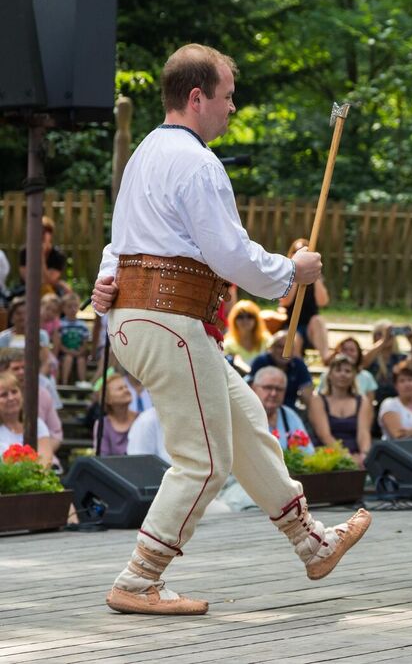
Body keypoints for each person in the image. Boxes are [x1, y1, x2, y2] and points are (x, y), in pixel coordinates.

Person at [91, 43, 369, 616]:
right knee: (205, 460)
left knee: (247, 425)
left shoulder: (144, 153)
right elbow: (229, 255)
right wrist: (294, 272)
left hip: (143, 323)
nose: (232, 108)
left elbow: (119, 244)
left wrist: (105, 289)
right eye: (227, 97)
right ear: (198, 98)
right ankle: (138, 580)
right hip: (170, 323)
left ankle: (311, 544)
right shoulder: (196, 162)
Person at [307, 353, 373, 463]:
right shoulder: (318, 400)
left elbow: (364, 433)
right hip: (327, 456)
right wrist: (346, 457)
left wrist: (364, 455)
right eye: (338, 370)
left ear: (353, 376)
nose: (343, 374)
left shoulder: (362, 401)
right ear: (330, 375)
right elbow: (324, 435)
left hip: (356, 455)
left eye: (347, 371)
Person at [280, 237, 331, 362]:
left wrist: (315, 276)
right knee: (295, 339)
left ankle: (326, 358)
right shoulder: (286, 278)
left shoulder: (315, 279)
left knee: (317, 320)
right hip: (292, 326)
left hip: (311, 327)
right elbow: (285, 302)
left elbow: (323, 302)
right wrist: (296, 274)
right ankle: (298, 366)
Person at [252, 366, 315, 454]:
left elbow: (308, 453)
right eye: (268, 387)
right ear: (254, 388)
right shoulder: (244, 415)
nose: (273, 393)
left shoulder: (289, 415)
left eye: (279, 389)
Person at [246, 332, 315, 411]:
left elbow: (307, 391)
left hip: (289, 410)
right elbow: (250, 388)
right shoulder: (261, 362)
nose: (284, 351)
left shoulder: (298, 364)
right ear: (271, 348)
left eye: (288, 347)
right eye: (280, 347)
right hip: (261, 408)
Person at [0, 370, 55, 465]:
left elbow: (45, 461)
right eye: (4, 395)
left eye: (14, 392)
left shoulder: (37, 424)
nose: (11, 398)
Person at [95, 372, 139, 456]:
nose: (126, 390)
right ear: (108, 399)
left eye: (126, 387)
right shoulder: (102, 424)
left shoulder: (141, 419)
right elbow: (102, 457)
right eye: (120, 389)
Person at [364, 320, 408, 401]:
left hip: (397, 402)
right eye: (380, 334)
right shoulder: (371, 357)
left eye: (389, 334)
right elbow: (364, 362)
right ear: (374, 337)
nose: (386, 336)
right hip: (375, 402)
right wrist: (384, 340)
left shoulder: (401, 357)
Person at [222, 299, 272, 367]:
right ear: (233, 320)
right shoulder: (227, 344)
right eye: (240, 316)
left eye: (250, 316)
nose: (245, 320)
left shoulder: (266, 340)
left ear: (257, 320)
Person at [59, 290, 91, 386]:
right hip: (65, 353)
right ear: (63, 308)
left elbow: (85, 342)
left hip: (78, 352)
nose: (72, 309)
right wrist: (68, 351)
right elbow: (59, 343)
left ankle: (82, 383)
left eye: (75, 306)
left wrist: (80, 351)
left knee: (81, 360)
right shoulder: (61, 324)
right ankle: (64, 383)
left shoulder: (82, 325)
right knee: (68, 358)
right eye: (69, 307)